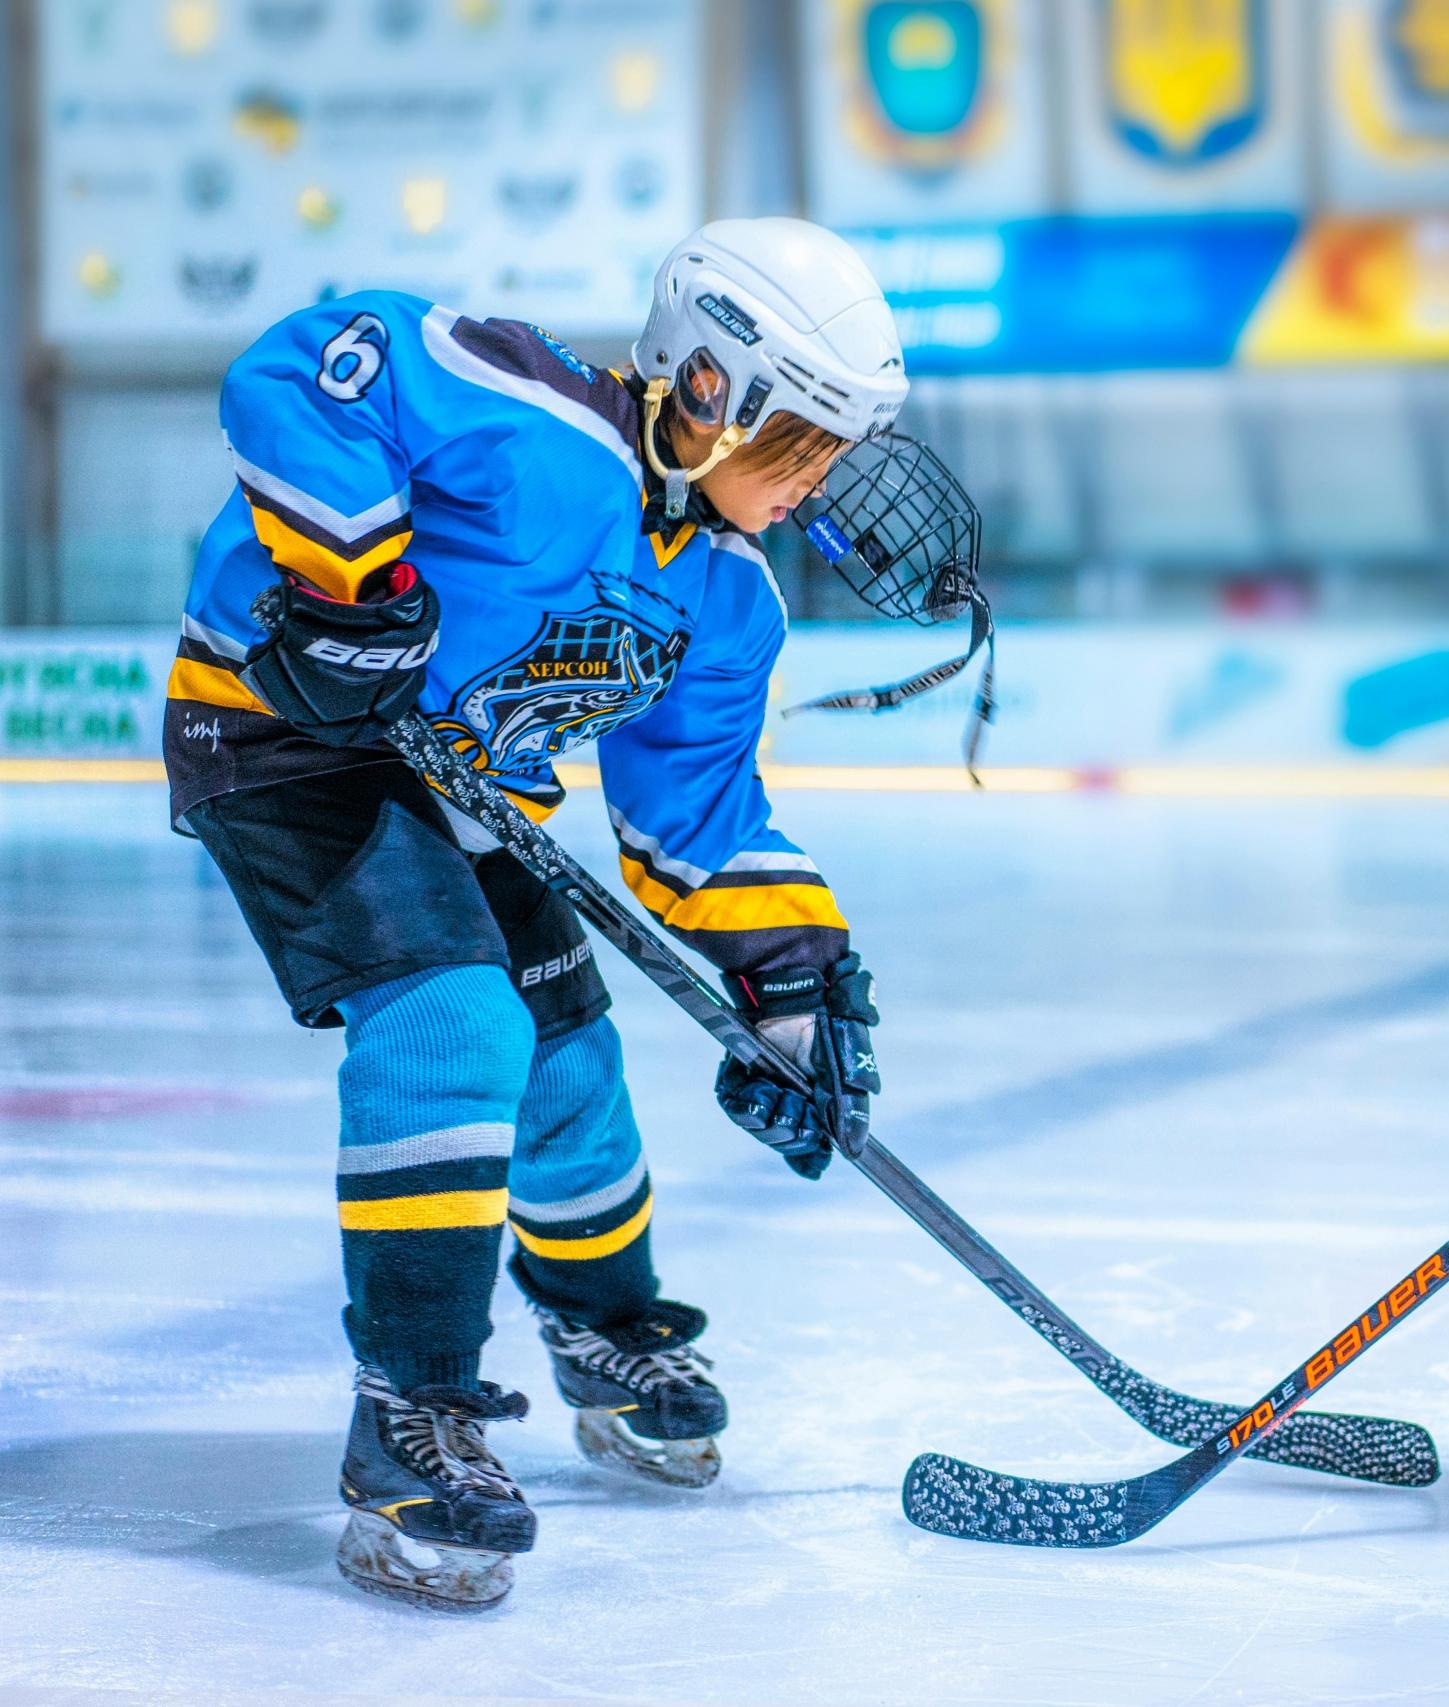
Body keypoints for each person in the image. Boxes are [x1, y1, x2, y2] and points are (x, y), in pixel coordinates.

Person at [164, 218, 982, 1611]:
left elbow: (697, 822)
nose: (819, 487)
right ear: (711, 387)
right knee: (454, 1018)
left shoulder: (728, 603)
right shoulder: (535, 428)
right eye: (804, 445)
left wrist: (792, 992)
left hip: (464, 785)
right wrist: (347, 585)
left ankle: (606, 1331)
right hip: (288, 734)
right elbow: (307, 368)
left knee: (570, 1065)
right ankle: (409, 1416)